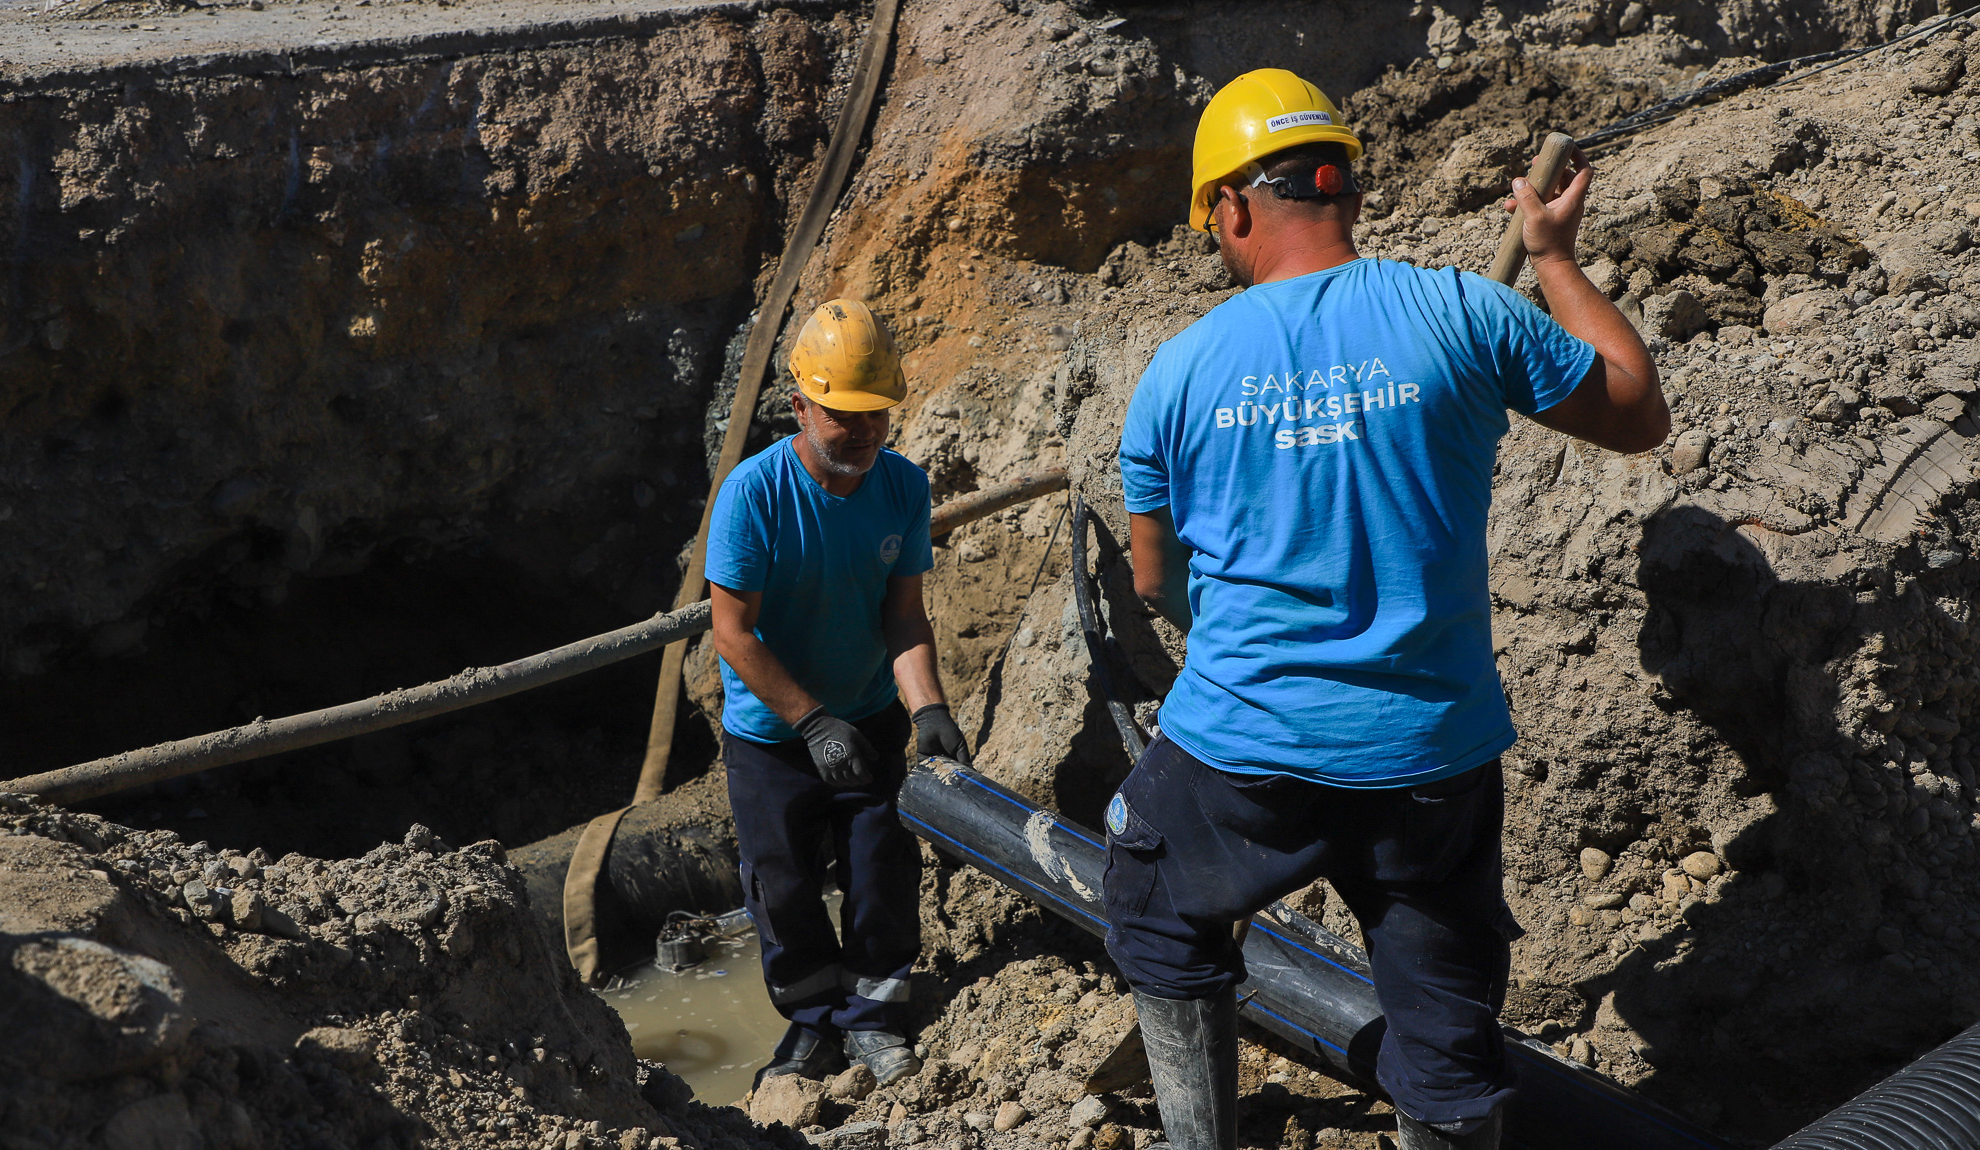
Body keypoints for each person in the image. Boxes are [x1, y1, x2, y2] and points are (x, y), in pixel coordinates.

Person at [1103, 70, 1667, 1150]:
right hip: (1428, 753)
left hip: (1242, 748)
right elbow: (1634, 407)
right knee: (1446, 1031)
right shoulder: (1461, 310)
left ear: (1228, 207)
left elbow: (1151, 582)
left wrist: (1212, 624)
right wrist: (1548, 256)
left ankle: (1197, 1138)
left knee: (1149, 900)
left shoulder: (1175, 373)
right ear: (1345, 192)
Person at [707, 298, 971, 1089]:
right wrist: (810, 721)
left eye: (876, 414)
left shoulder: (902, 488)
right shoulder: (753, 496)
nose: (861, 430)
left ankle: (872, 1018)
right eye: (841, 413)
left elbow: (904, 617)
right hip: (772, 735)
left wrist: (928, 709)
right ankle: (812, 1023)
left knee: (880, 872)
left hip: (866, 714)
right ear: (800, 406)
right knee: (781, 884)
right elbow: (733, 635)